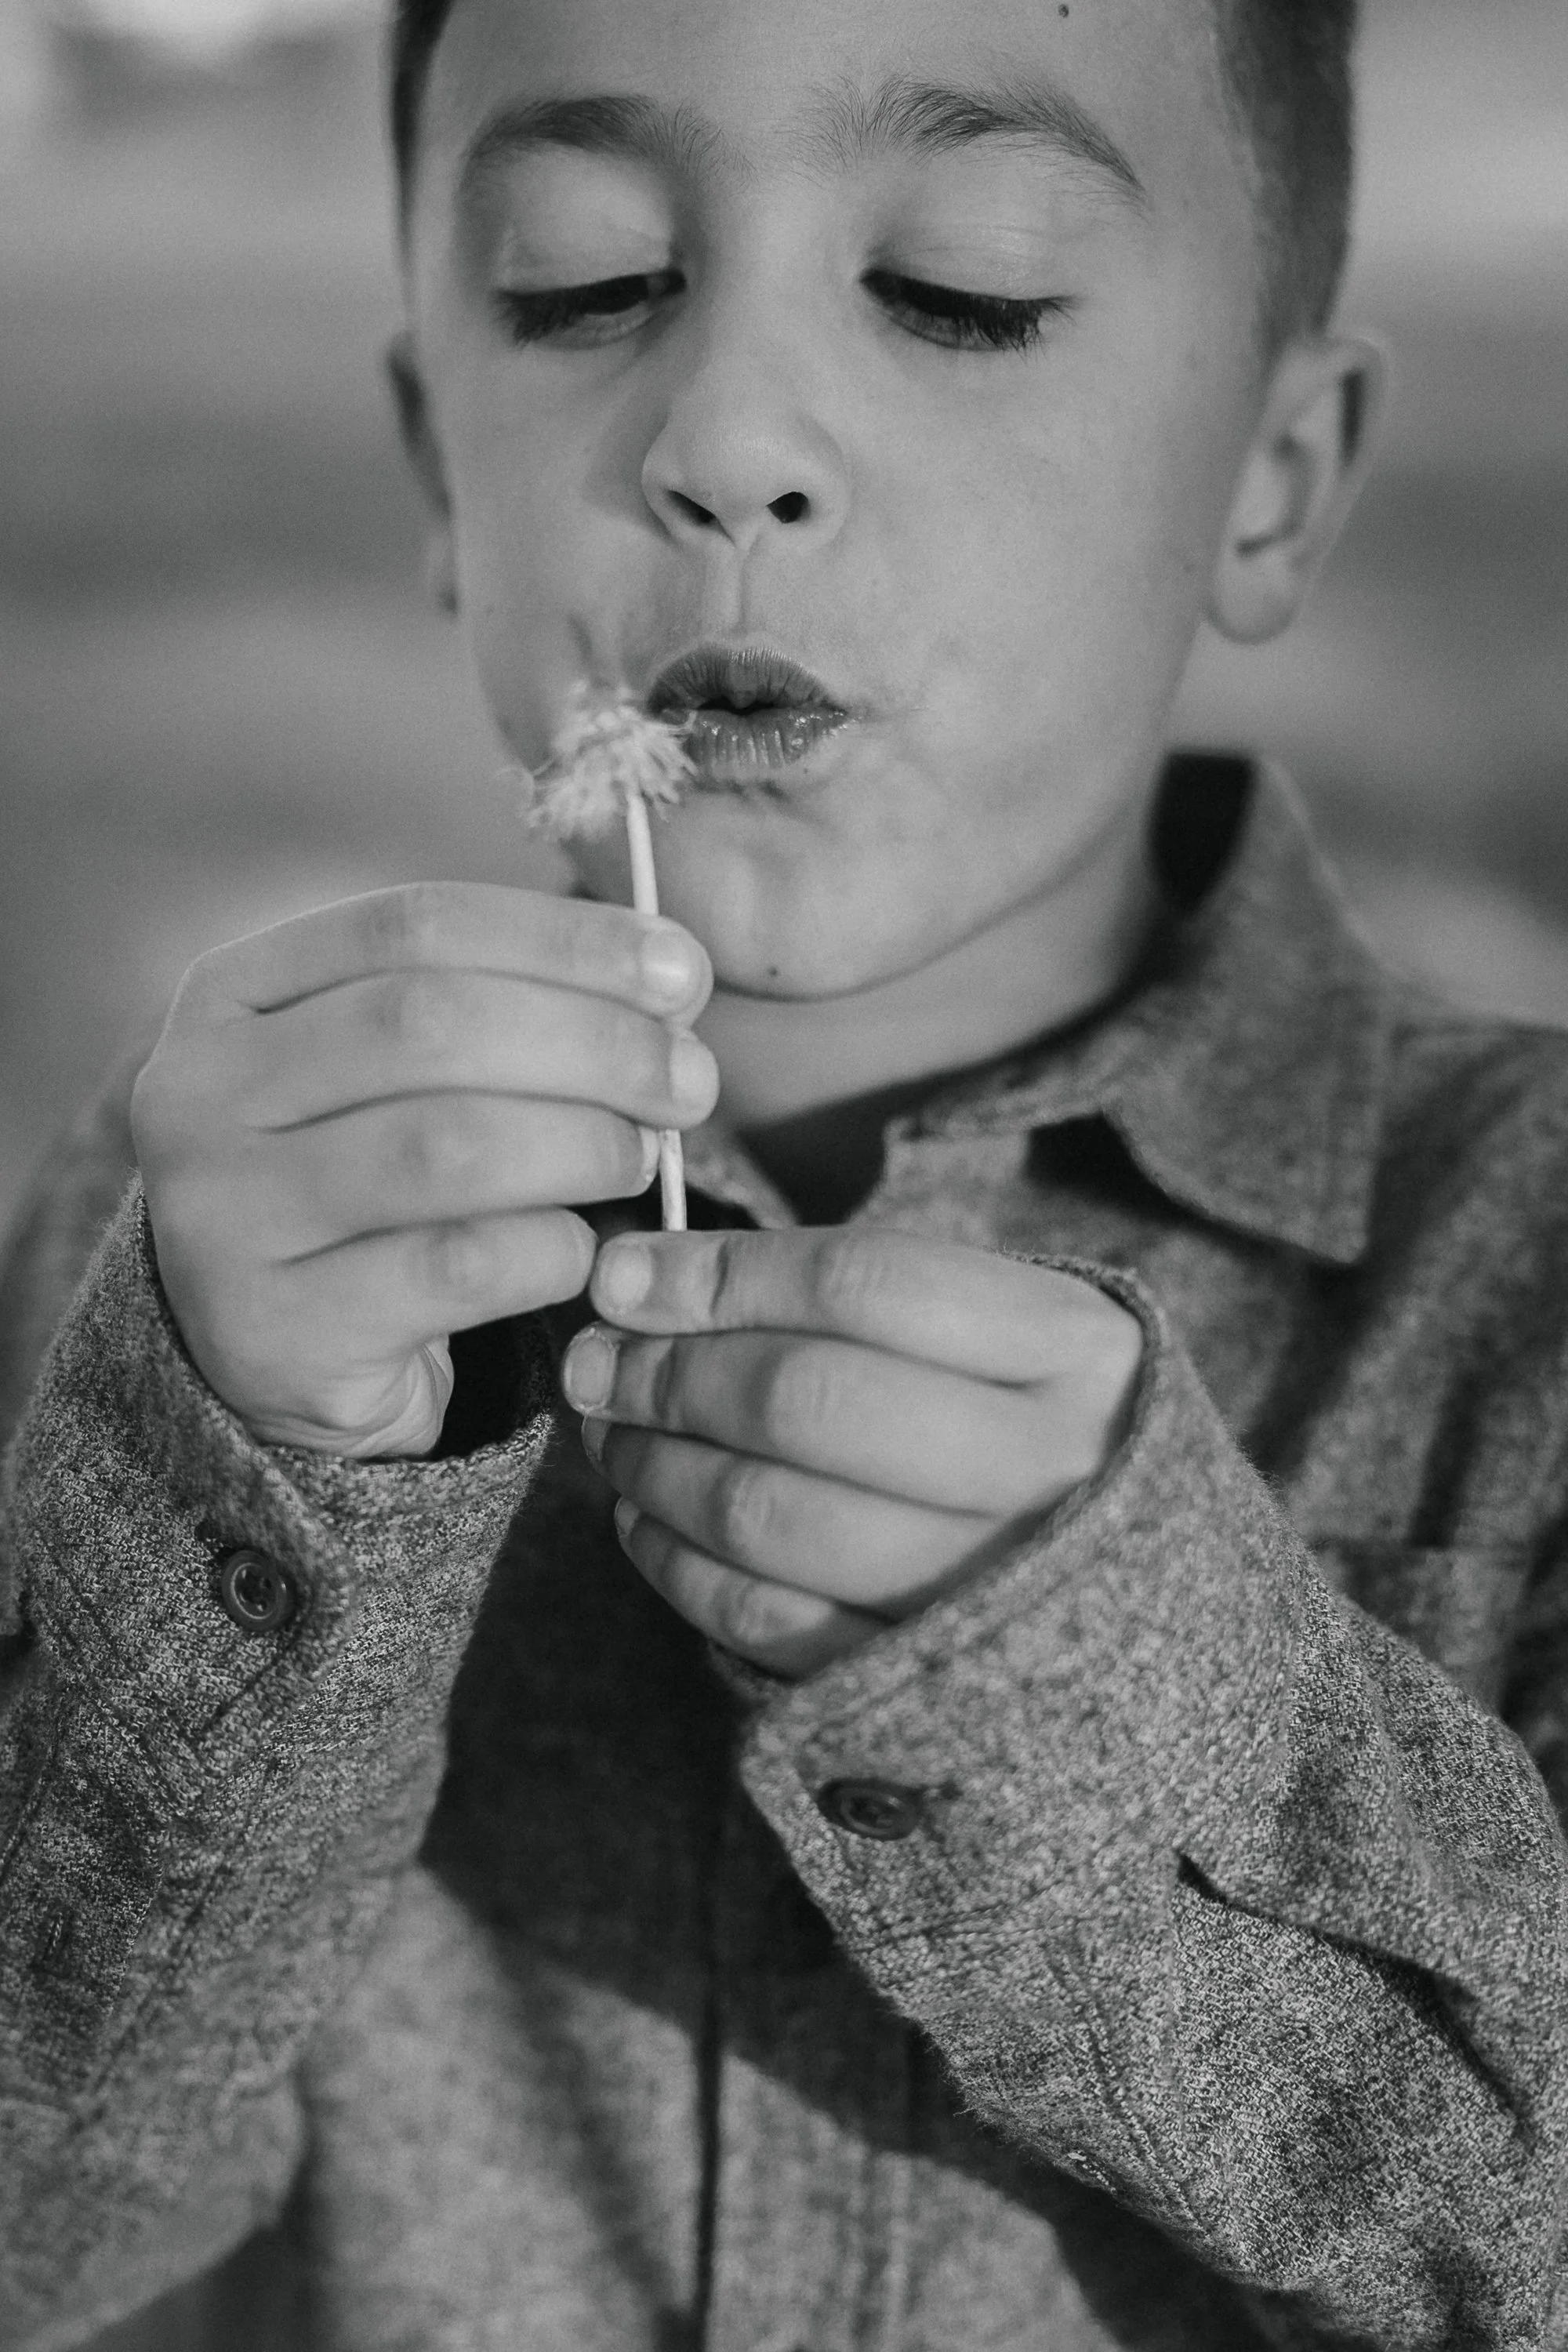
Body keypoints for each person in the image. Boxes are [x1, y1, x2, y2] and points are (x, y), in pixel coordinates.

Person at [4, 0, 1566, 2343]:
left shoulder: (1525, 1260)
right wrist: (226, 1521)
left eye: (965, 286)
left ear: (1271, 474)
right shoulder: (182, 1254)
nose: (723, 442)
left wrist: (1103, 1691)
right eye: (582, 282)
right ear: (442, 468)